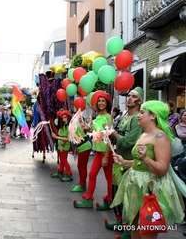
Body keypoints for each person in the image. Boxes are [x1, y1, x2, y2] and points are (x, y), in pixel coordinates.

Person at [111, 101, 184, 238]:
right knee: (134, 230)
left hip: (150, 190)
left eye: (142, 112)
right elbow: (139, 163)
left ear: (153, 116)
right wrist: (124, 161)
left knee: (146, 232)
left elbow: (162, 168)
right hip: (135, 187)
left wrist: (146, 158)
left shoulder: (160, 137)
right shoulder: (143, 135)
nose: (139, 115)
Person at [105, 87, 144, 233]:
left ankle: (128, 228)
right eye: (128, 96)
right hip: (118, 160)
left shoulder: (137, 119)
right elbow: (115, 134)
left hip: (128, 162)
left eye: (133, 96)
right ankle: (120, 222)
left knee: (127, 195)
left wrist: (113, 133)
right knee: (116, 192)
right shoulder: (124, 116)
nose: (129, 98)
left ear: (139, 101)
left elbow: (129, 141)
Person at [74, 91, 113, 210]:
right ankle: (88, 199)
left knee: (109, 179)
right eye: (99, 101)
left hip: (106, 153)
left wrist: (106, 156)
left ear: (107, 103)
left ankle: (110, 201)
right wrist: (85, 126)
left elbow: (108, 137)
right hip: (98, 152)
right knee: (92, 175)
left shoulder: (108, 117)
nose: (101, 103)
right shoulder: (97, 117)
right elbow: (92, 132)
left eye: (103, 101)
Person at [51, 109, 73, 182]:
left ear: (68, 118)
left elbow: (67, 138)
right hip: (60, 146)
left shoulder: (68, 127)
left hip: (64, 146)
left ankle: (69, 174)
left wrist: (56, 137)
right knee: (62, 160)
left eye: (65, 117)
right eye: (63, 117)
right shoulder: (63, 126)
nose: (64, 119)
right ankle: (60, 171)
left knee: (64, 160)